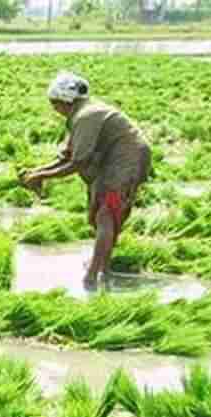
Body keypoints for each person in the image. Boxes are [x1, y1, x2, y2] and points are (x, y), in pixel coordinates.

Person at [20, 72, 153, 291]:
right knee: (103, 217)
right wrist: (36, 171)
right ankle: (104, 268)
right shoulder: (82, 114)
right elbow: (66, 156)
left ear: (64, 101)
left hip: (126, 160)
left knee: (106, 215)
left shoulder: (86, 116)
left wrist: (41, 176)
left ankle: (92, 276)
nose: (55, 109)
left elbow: (78, 162)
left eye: (55, 104)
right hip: (114, 161)